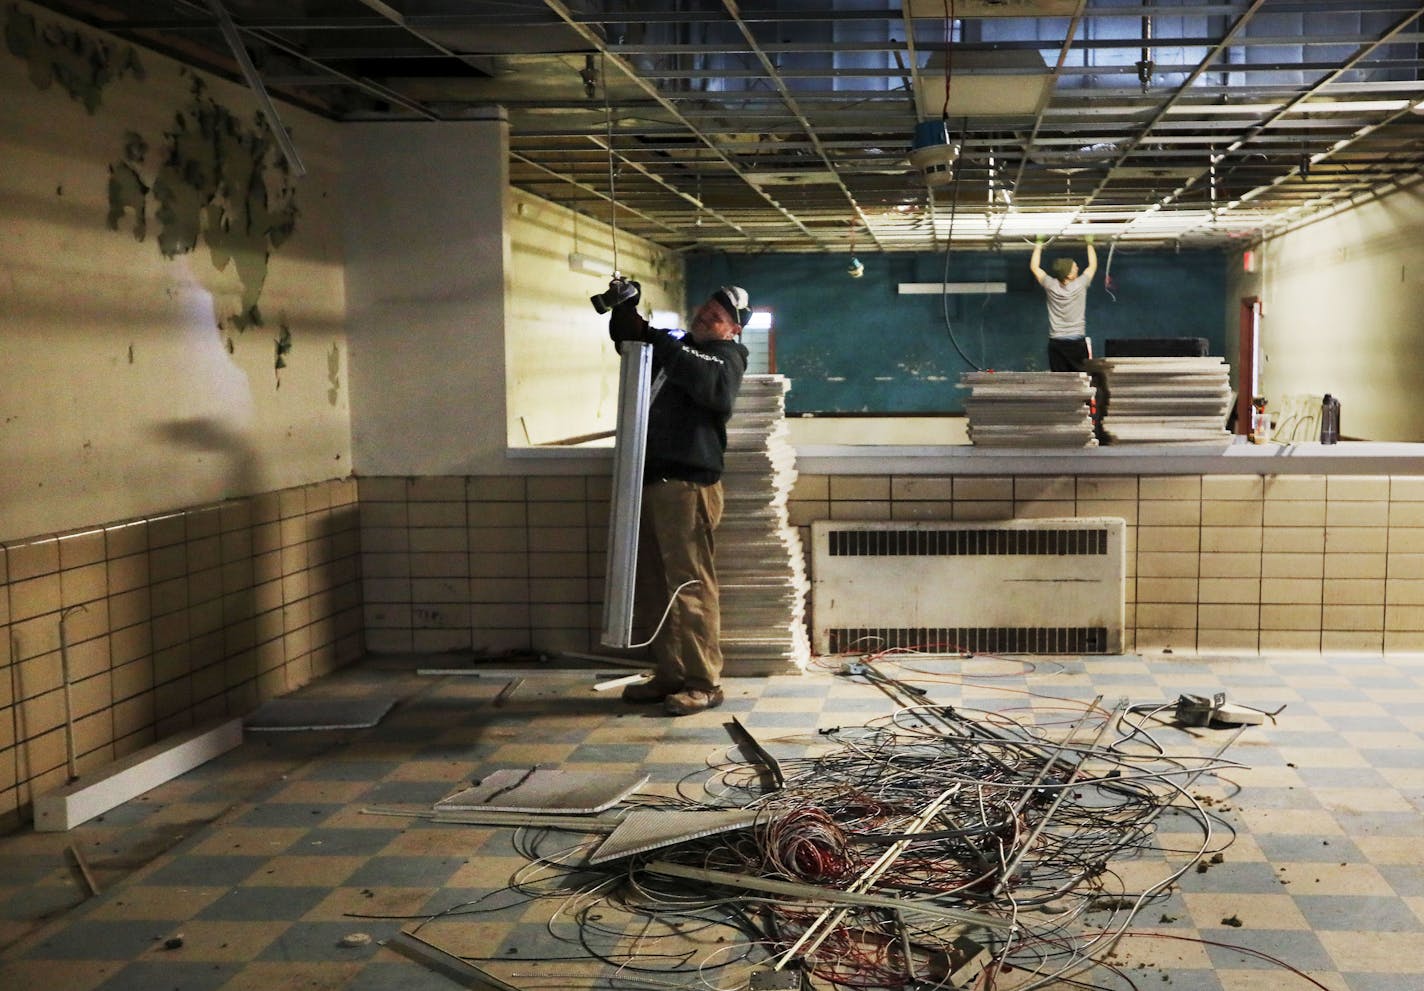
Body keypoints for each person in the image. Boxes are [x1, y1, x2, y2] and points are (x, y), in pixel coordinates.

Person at [607, 284, 750, 716]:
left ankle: (704, 682)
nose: (707, 318)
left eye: (717, 316)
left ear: (733, 329)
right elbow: (635, 348)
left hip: (687, 486)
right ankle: (669, 674)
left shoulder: (727, 358)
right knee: (654, 584)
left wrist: (653, 336)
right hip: (650, 480)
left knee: (689, 586)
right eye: (705, 311)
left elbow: (711, 388)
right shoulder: (679, 351)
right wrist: (625, 318)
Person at [1030, 234, 1097, 372]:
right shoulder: (1080, 285)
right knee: (1082, 382)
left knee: (1060, 382)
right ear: (1069, 275)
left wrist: (1038, 243)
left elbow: (1034, 267)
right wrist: (1089, 243)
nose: (1077, 268)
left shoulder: (1051, 285)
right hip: (1077, 343)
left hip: (1057, 343)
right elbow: (1093, 266)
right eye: (1074, 268)